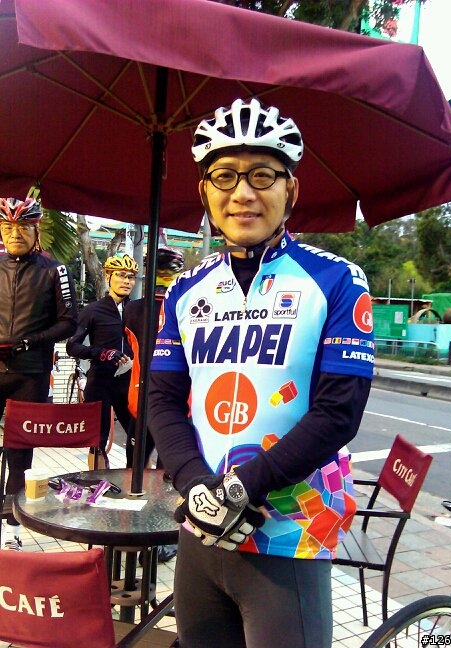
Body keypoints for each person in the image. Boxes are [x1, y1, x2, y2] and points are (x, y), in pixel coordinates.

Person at [147, 97, 375, 648]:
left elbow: (338, 413)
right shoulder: (185, 288)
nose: (243, 193)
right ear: (204, 191)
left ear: (291, 190)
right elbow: (161, 398)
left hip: (289, 533)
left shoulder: (337, 280)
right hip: (201, 526)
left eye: (262, 175)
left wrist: (244, 486)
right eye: (224, 176)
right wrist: (195, 484)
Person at [0, 197, 77, 551]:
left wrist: (32, 341)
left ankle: (12, 530)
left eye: (23, 227)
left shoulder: (55, 269)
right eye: (8, 227)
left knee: (20, 454)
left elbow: (69, 322)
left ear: (36, 230)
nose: (15, 234)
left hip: (30, 372)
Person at [123, 247, 184, 563]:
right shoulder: (185, 305)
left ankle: (142, 528)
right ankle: (158, 531)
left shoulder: (134, 308)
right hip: (172, 400)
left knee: (142, 469)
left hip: (149, 398)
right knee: (163, 471)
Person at [66, 254, 138, 464]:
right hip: (100, 382)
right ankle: (96, 481)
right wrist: (102, 352)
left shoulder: (137, 310)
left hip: (129, 383)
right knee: (97, 441)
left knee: (138, 438)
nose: (126, 281)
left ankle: (133, 480)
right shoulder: (93, 310)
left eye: (131, 277)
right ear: (108, 276)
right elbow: (72, 346)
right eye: (121, 275)